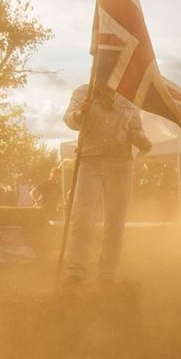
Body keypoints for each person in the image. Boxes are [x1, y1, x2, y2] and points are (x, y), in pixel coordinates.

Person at [62, 83, 152, 287]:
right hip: (89, 159)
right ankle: (76, 272)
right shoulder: (83, 92)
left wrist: (142, 140)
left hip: (121, 163)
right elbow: (69, 119)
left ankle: (107, 274)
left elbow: (135, 129)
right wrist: (79, 113)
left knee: (116, 222)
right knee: (82, 217)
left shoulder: (128, 97)